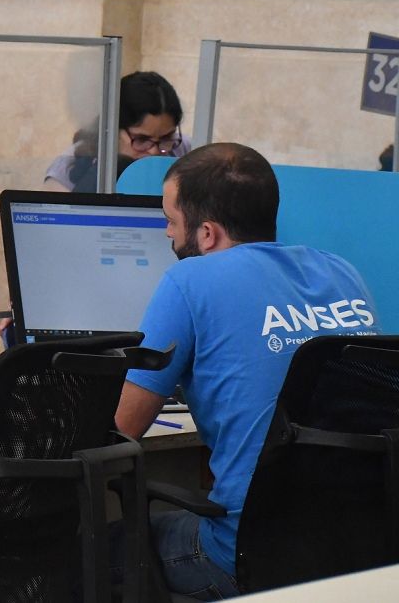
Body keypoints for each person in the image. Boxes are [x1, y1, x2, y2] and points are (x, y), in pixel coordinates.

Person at [113, 143, 379, 599]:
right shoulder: (342, 272)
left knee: (94, 549)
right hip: (365, 549)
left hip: (250, 553)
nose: (167, 234)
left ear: (208, 233)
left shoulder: (189, 279)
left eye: (171, 221)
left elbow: (121, 428)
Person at [44, 71, 192, 193]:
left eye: (166, 138)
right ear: (113, 132)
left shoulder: (184, 151)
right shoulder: (68, 168)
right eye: (141, 139)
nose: (155, 152)